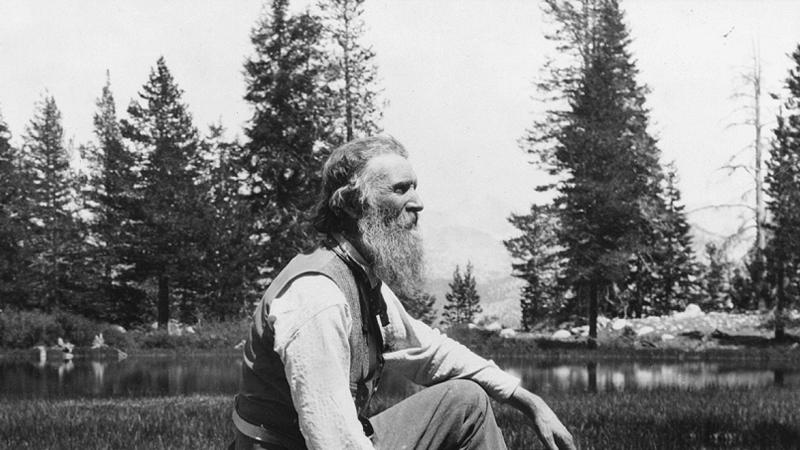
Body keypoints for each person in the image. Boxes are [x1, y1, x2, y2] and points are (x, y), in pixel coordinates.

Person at [231, 136, 575, 450]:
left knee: (465, 401)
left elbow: (430, 352)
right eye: (401, 189)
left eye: (415, 188)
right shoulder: (318, 298)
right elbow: (333, 441)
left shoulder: (358, 277)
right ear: (352, 204)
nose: (418, 203)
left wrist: (529, 401)